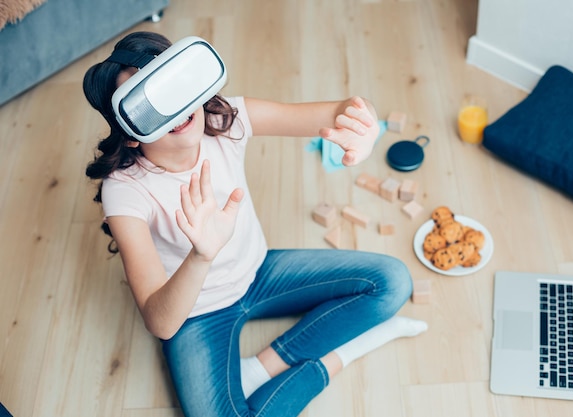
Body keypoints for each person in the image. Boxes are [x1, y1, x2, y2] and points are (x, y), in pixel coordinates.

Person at [83, 31, 427, 417]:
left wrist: (361, 127)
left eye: (172, 86)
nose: (176, 110)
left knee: (392, 281)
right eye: (150, 106)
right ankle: (342, 354)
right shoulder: (124, 191)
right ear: (129, 136)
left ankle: (262, 368)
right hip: (195, 313)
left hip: (258, 271)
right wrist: (201, 255)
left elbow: (340, 111)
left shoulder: (223, 118)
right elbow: (160, 323)